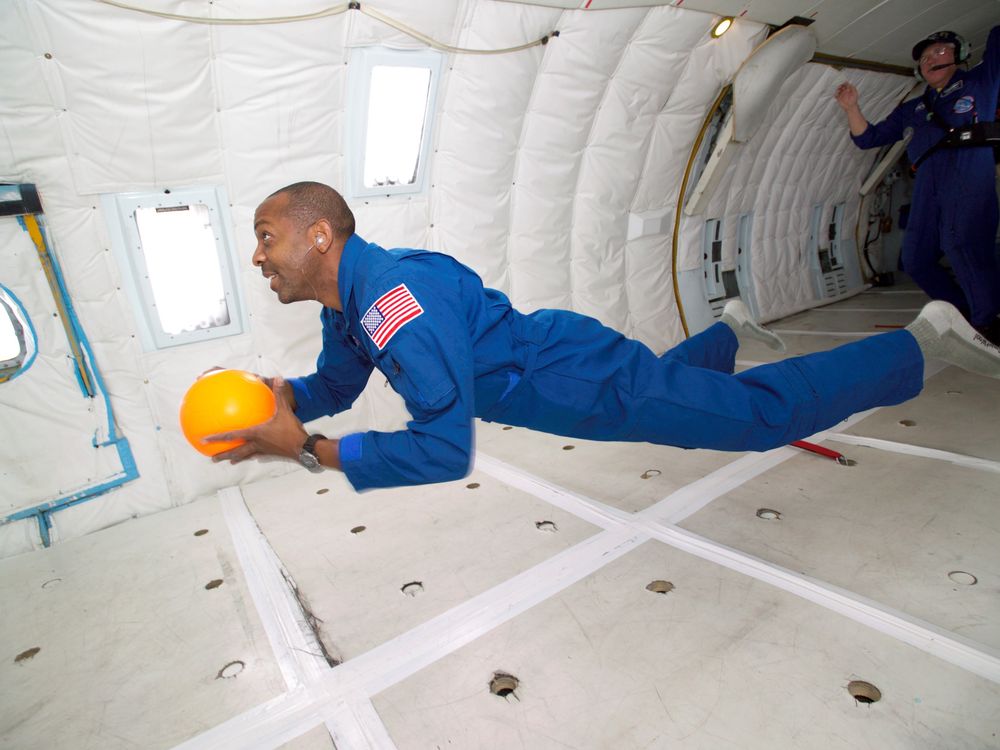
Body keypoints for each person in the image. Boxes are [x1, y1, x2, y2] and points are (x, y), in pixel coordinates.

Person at [208, 181, 1000, 491]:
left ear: (318, 238)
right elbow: (338, 385)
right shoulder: (348, 305)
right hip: (563, 373)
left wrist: (306, 449)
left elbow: (445, 450)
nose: (257, 254)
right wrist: (287, 404)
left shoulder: (391, 303)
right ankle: (726, 330)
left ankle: (920, 344)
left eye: (266, 235)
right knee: (666, 383)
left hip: (575, 380)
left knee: (759, 420)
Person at [835, 27, 1000, 343]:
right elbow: (868, 138)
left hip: (968, 170)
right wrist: (851, 107)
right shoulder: (913, 107)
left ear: (960, 54)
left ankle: (988, 322)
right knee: (915, 259)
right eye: (925, 57)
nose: (930, 60)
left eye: (939, 51)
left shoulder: (981, 82)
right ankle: (965, 313)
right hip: (927, 181)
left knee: (962, 244)